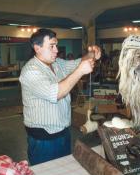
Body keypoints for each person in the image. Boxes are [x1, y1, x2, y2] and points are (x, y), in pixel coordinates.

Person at [19, 28, 101, 165]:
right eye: (51, 46)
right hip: (44, 138)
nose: (56, 50)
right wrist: (81, 71)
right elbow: (56, 93)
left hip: (63, 132)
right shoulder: (31, 71)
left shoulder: (56, 64)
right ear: (37, 48)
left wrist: (92, 54)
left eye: (56, 45)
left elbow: (78, 63)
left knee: (64, 170)